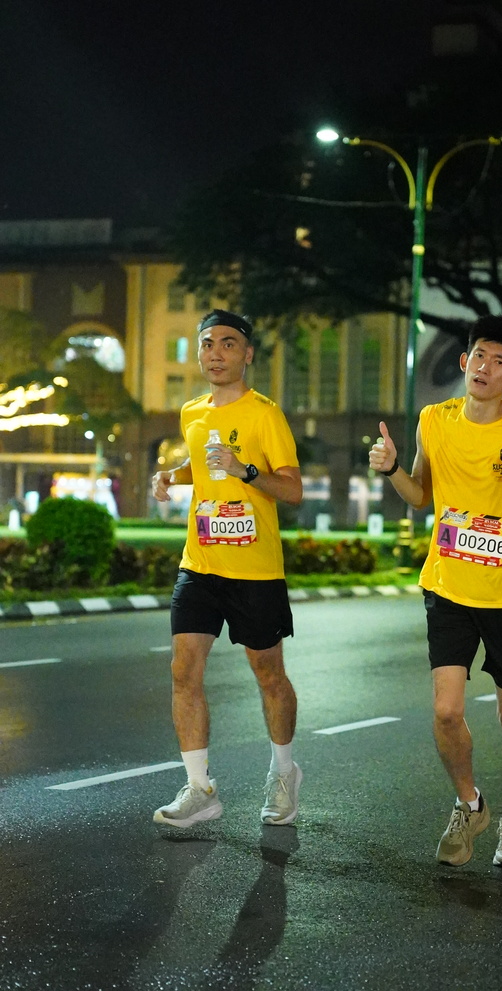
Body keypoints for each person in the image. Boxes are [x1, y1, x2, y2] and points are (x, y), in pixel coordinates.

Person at [369, 315, 502, 868]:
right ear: (464, 361)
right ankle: (469, 803)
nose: (485, 367)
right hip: (449, 585)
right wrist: (391, 469)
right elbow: (420, 495)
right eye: (479, 355)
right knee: (446, 711)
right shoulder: (434, 420)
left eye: (499, 361)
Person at [152, 308, 303, 829]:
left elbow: (292, 489)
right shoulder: (192, 412)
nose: (215, 353)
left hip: (255, 570)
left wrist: (246, 471)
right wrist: (172, 475)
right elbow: (202, 464)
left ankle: (283, 772)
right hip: (200, 563)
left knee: (268, 674)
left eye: (228, 344)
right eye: (207, 343)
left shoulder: (265, 414)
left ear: (248, 354)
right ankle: (200, 790)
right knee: (183, 671)